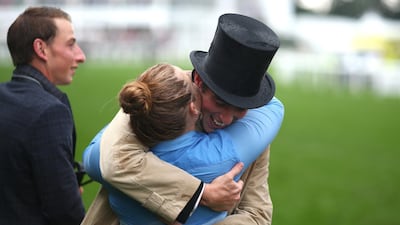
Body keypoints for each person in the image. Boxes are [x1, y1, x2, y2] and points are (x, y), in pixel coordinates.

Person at [82, 13, 282, 225]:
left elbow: (257, 213)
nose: (226, 118)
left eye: (240, 108)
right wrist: (203, 194)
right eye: (220, 102)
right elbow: (109, 160)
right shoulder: (160, 98)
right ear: (197, 81)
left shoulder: (253, 128)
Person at [0, 6, 86, 225]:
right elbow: (66, 213)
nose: (81, 56)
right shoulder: (50, 112)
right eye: (71, 44)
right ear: (41, 48)